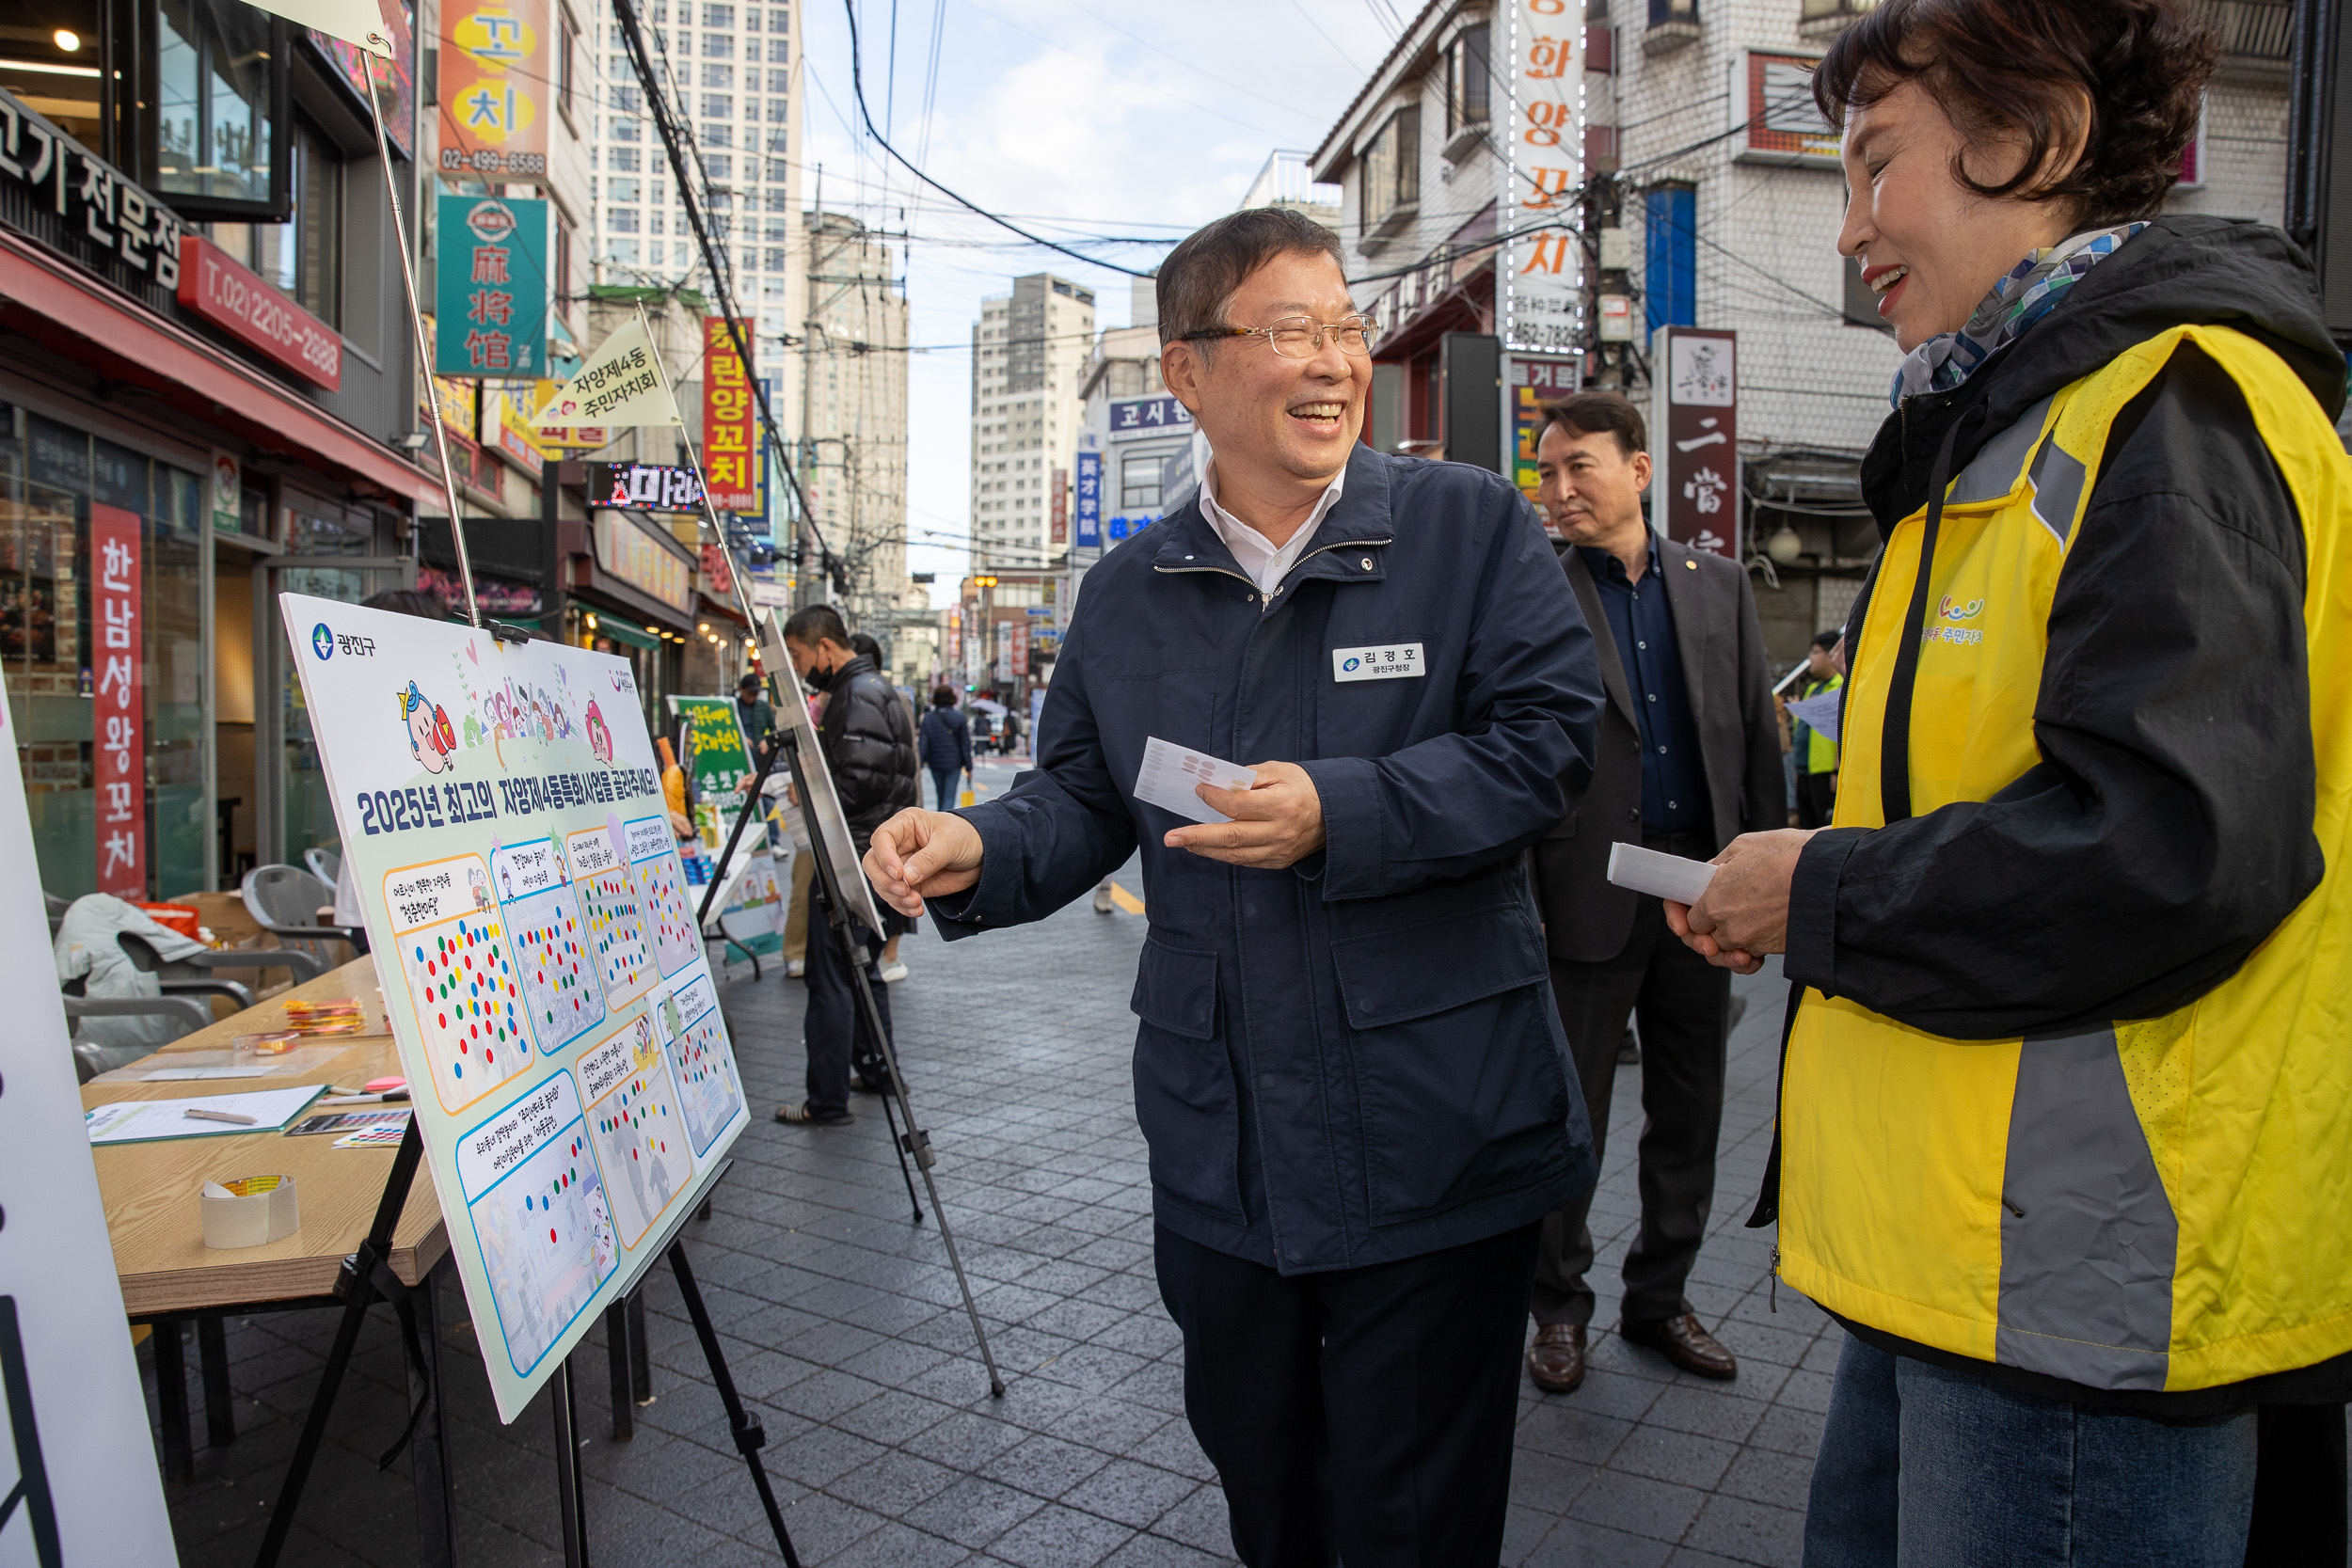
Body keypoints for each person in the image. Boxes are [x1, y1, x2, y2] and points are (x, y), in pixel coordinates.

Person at [1667, 2, 2352, 1560]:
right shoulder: (1997, 427)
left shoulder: (2172, 405)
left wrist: (1819, 887)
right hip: (1973, 1261)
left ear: (2026, 138)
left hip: (2085, 1296)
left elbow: (2167, 848)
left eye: (1872, 168)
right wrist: (1812, 870)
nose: (1849, 233)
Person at [862, 207, 1604, 1566]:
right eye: (1286, 332)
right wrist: (975, 845)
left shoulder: (1467, 526)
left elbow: (1550, 741)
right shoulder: (1131, 588)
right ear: (1189, 371)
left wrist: (1345, 806)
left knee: (1411, 1520)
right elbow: (1086, 794)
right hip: (1225, 1139)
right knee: (1266, 1486)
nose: (1331, 364)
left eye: (1345, 329)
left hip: (1440, 1118)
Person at [1521, 390, 1785, 1397]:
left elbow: (1753, 736)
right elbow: (1514, 751)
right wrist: (1523, 893)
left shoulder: (1715, 585)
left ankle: (1659, 1296)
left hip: (1701, 880)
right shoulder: (1534, 589)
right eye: (1546, 471)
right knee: (1569, 1113)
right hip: (1580, 885)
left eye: (1577, 465)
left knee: (1692, 1104)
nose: (1559, 488)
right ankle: (1556, 1306)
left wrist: (1770, 878)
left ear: (1638, 468)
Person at [774, 605, 917, 1125]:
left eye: (797, 654)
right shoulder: (874, 689)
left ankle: (827, 1100)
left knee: (831, 976)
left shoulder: (854, 695)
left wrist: (809, 784)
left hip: (852, 860)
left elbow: (859, 783)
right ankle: (878, 1070)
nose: (797, 666)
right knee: (862, 973)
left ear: (825, 649)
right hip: (873, 859)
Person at [851, 633, 920, 983]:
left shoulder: (860, 696)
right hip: (896, 810)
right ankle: (888, 957)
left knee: (893, 883)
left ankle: (886, 956)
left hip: (879, 814)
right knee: (894, 882)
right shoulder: (894, 696)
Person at [1787, 629, 1842, 830]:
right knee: (1806, 825)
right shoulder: (1813, 688)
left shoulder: (1840, 686)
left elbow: (1840, 731)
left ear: (1831, 654)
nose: (1810, 659)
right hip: (1805, 770)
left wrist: (1837, 771)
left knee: (1823, 825)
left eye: (1814, 652)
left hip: (1825, 772)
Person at [918, 687, 973, 814]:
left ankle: (940, 823)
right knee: (949, 797)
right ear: (952, 698)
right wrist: (969, 768)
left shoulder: (928, 718)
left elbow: (923, 743)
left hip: (935, 762)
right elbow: (965, 745)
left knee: (940, 795)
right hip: (953, 763)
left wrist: (919, 764)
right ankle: (943, 826)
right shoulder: (959, 717)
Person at [735, 671, 775, 754]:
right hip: (738, 751)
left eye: (756, 693)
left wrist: (767, 741)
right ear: (741, 689)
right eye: (750, 693)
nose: (753, 696)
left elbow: (775, 728)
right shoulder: (734, 706)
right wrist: (740, 738)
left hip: (759, 750)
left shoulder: (764, 707)